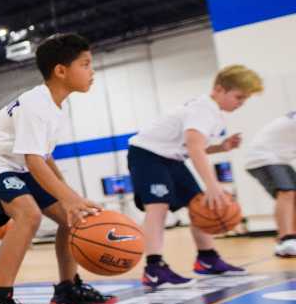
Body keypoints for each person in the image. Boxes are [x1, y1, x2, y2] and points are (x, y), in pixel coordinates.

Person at [0, 33, 116, 304]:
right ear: (61, 70)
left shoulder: (56, 108)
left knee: (73, 219)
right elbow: (33, 160)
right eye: (85, 64)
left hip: (17, 163)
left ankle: (67, 289)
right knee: (28, 214)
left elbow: (44, 158)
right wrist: (70, 198)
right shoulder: (36, 103)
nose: (91, 71)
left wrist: (72, 200)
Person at [127, 65, 262, 287]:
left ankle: (207, 259)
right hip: (147, 154)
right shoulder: (204, 109)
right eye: (239, 97)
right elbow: (194, 147)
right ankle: (154, 268)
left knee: (199, 204)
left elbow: (193, 146)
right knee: (158, 206)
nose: (240, 103)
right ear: (219, 89)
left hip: (171, 156)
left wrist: (221, 147)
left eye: (244, 99)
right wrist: (213, 185)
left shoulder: (213, 112)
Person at [243, 111, 296, 258]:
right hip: (263, 157)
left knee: (292, 196)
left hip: (279, 158)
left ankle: (289, 238)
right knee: (286, 192)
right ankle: (287, 238)